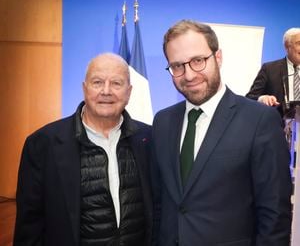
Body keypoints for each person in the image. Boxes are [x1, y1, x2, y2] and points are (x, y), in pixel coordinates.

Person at [151, 20, 292, 245]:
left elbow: (274, 214)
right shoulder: (162, 121)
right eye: (177, 66)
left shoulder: (260, 120)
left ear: (218, 57)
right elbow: (160, 203)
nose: (188, 75)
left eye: (197, 60)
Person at [13, 53, 153, 246]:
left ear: (128, 92)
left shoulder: (149, 139)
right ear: (84, 88)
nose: (106, 91)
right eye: (97, 82)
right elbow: (29, 226)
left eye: (116, 83)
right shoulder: (43, 144)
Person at [246, 28, 300, 117]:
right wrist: (262, 98)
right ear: (287, 46)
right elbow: (250, 97)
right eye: (299, 43)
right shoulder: (270, 69)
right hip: (277, 125)